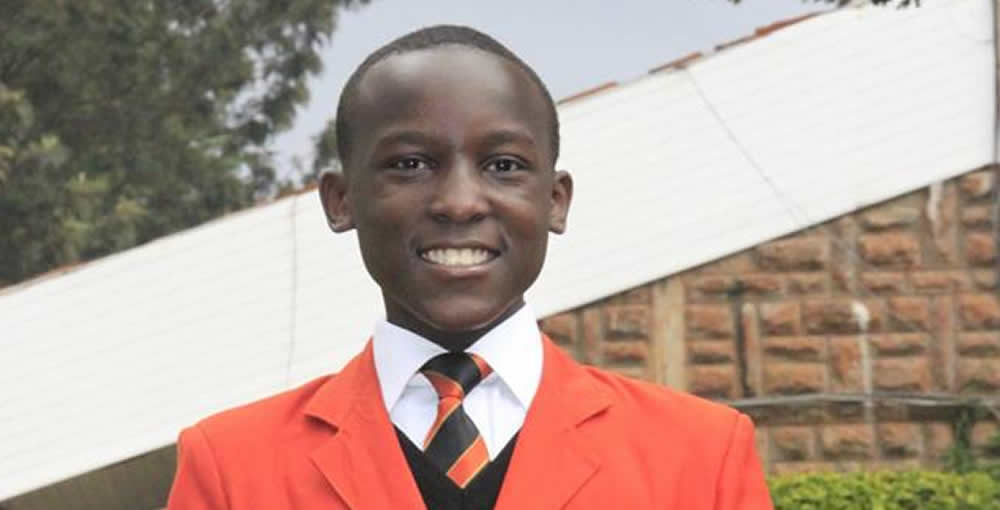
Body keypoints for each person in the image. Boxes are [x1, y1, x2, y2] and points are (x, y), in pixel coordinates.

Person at [167, 25, 773, 510]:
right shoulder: (231, 469)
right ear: (340, 200)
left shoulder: (699, 456)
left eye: (504, 165)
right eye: (410, 164)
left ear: (555, 200)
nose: (459, 202)